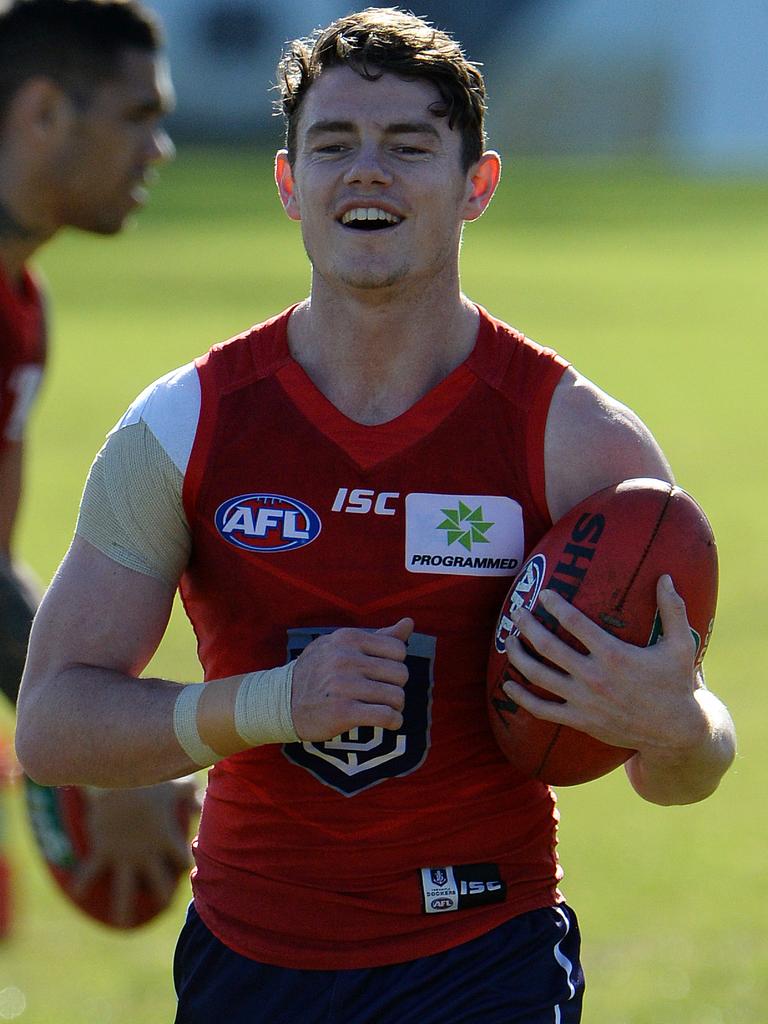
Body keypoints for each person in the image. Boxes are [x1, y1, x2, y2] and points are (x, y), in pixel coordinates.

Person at [15, 7, 736, 1020]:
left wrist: (676, 728)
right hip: (250, 956)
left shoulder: (578, 442)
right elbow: (50, 724)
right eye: (334, 146)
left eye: (409, 146)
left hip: (487, 953)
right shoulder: (185, 425)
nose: (368, 173)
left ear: (475, 184)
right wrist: (273, 703)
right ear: (287, 182)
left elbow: (684, 766)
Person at [1, 0, 194, 926]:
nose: (159, 149)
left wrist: (92, 730)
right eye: (136, 116)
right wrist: (103, 739)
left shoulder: (21, 310)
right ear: (42, 114)